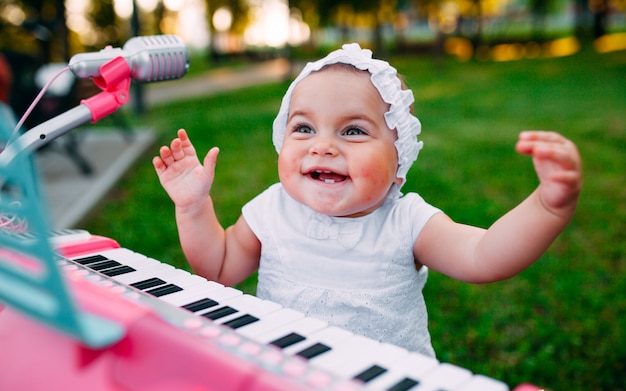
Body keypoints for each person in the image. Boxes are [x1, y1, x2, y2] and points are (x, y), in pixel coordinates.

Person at [152, 44, 582, 357]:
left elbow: (484, 256)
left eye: (353, 131)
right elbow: (219, 269)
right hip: (287, 378)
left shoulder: (406, 222)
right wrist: (193, 207)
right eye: (303, 128)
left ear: (399, 162)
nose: (322, 146)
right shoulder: (272, 209)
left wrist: (548, 206)